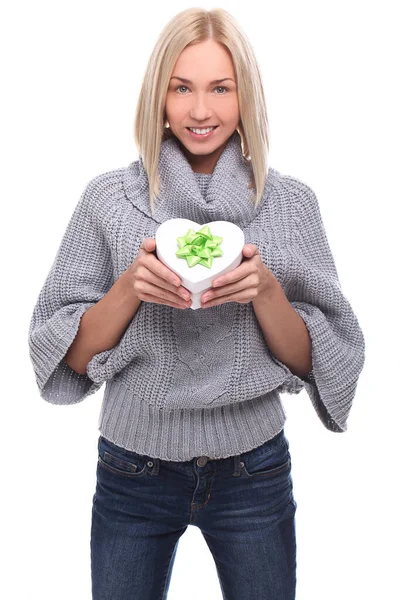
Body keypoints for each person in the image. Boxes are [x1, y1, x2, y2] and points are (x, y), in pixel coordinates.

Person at [27, 7, 366, 600]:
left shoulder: (289, 203)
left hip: (252, 468)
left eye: (220, 88)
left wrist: (265, 294)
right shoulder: (109, 200)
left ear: (245, 97)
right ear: (158, 94)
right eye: (181, 88)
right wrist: (130, 288)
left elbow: (322, 356)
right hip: (133, 467)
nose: (201, 110)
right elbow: (63, 353)